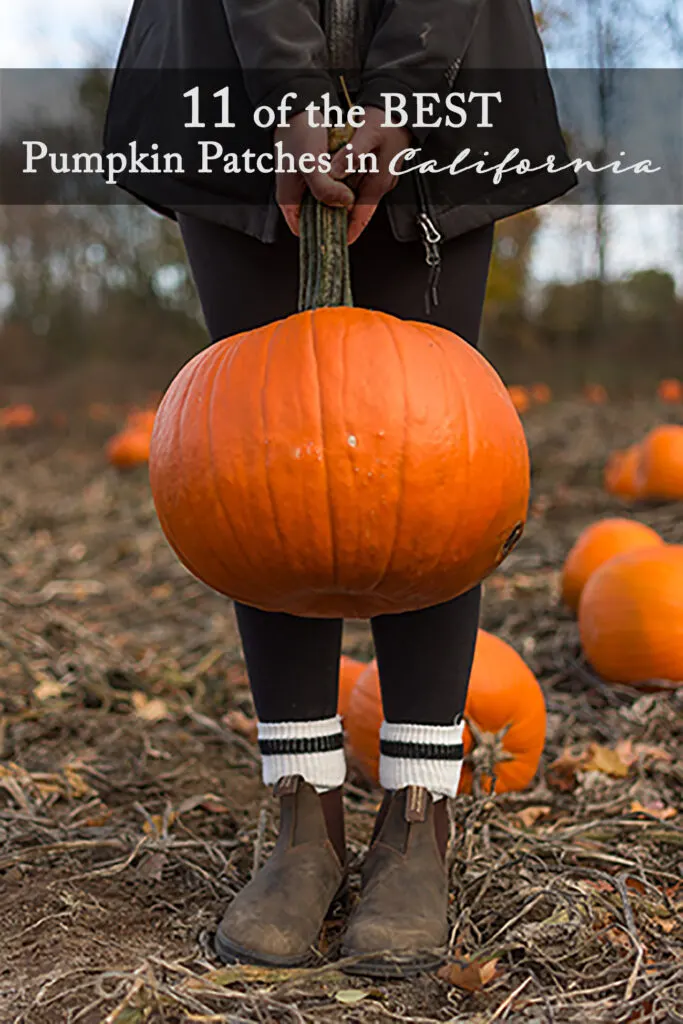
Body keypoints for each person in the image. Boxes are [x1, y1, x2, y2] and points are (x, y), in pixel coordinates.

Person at [105, 0, 576, 979]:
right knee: (262, 454)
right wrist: (289, 93)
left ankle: (416, 815)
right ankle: (300, 809)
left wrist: (400, 96)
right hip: (229, 70)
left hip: (446, 65)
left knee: (432, 456)